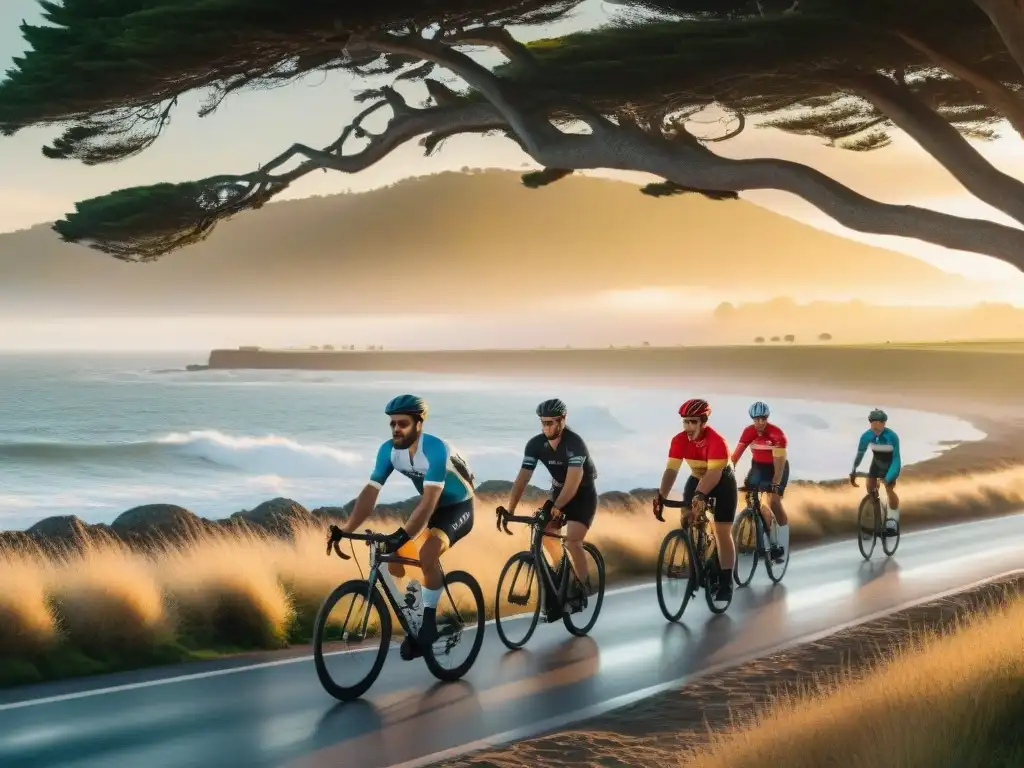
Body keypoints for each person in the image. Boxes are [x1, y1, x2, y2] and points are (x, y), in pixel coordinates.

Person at [340, 394, 475, 658]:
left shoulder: (437, 450)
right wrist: (346, 529)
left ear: (418, 424)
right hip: (431, 505)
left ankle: (428, 623)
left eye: (402, 423)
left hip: (458, 507)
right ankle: (413, 610)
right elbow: (370, 491)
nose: (395, 429)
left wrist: (401, 536)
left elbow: (428, 504)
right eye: (392, 424)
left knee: (427, 553)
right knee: (394, 558)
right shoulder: (389, 451)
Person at [505, 398, 598, 619]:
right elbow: (522, 479)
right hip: (558, 492)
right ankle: (563, 576)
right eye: (543, 423)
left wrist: (558, 506)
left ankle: (582, 589)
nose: (547, 427)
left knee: (573, 541)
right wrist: (510, 509)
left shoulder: (574, 443)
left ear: (563, 420)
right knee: (546, 536)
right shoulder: (536, 444)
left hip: (582, 494)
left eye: (551, 423)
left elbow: (574, 482)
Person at [653, 398, 737, 602]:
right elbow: (671, 470)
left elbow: (714, 475)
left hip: (722, 481)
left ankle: (726, 582)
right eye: (685, 422)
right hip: (698, 477)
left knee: (722, 531)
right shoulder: (679, 440)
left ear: (703, 422)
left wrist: (700, 495)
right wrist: (661, 495)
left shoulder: (717, 441)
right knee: (688, 517)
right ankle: (698, 561)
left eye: (692, 422)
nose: (688, 427)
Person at [730, 400, 791, 563]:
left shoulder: (777, 434)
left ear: (767, 418)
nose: (760, 422)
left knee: (774, 502)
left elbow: (779, 463)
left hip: (777, 467)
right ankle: (759, 526)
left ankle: (781, 546)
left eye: (763, 419)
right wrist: (727, 471)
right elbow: (736, 455)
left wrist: (775, 483)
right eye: (757, 419)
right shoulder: (748, 432)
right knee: (751, 498)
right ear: (752, 419)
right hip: (758, 467)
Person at [850, 408, 902, 533]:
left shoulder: (892, 437)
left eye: (879, 422)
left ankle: (892, 519)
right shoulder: (866, 436)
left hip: (891, 465)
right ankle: (874, 517)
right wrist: (854, 470)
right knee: (870, 489)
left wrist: (888, 477)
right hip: (877, 464)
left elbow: (896, 460)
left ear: (884, 423)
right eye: (873, 422)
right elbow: (860, 455)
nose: (876, 425)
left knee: (889, 489)